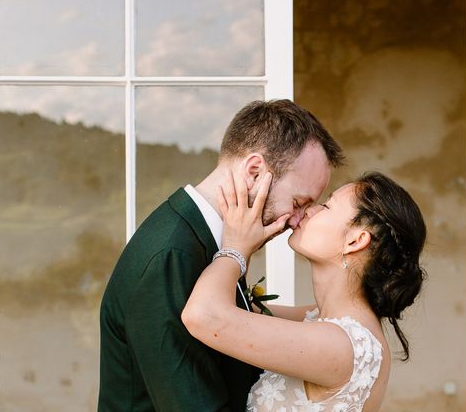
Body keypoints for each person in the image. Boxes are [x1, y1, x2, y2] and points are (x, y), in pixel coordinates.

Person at [98, 100, 345, 411]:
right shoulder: (171, 256)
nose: (297, 220)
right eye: (298, 202)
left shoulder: (220, 243)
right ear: (254, 171)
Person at [182, 170, 427, 412]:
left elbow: (203, 316)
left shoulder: (343, 346)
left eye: (328, 206)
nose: (310, 210)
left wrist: (236, 248)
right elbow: (237, 308)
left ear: (355, 241)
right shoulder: (320, 320)